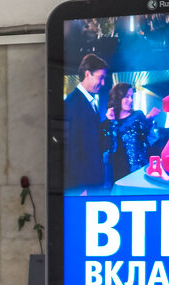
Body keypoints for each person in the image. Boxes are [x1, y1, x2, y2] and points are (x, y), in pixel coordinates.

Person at [64, 53, 109, 194]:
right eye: (100, 78)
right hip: (83, 185)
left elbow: (93, 138)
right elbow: (71, 150)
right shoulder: (71, 104)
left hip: (94, 180)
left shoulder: (89, 101)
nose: (102, 83)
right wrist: (80, 187)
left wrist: (108, 121)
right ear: (87, 74)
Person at [101, 83, 160, 183]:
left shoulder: (138, 115)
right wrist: (109, 121)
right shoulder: (110, 120)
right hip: (118, 171)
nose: (130, 100)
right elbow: (106, 145)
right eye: (127, 97)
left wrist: (149, 119)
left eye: (132, 96)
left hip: (138, 168)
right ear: (118, 98)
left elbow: (147, 138)